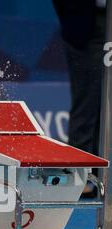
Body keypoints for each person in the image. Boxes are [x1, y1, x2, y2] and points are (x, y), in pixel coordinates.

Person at [53, 0, 106, 197]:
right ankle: (79, 176)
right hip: (86, 26)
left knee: (105, 105)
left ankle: (102, 177)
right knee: (87, 104)